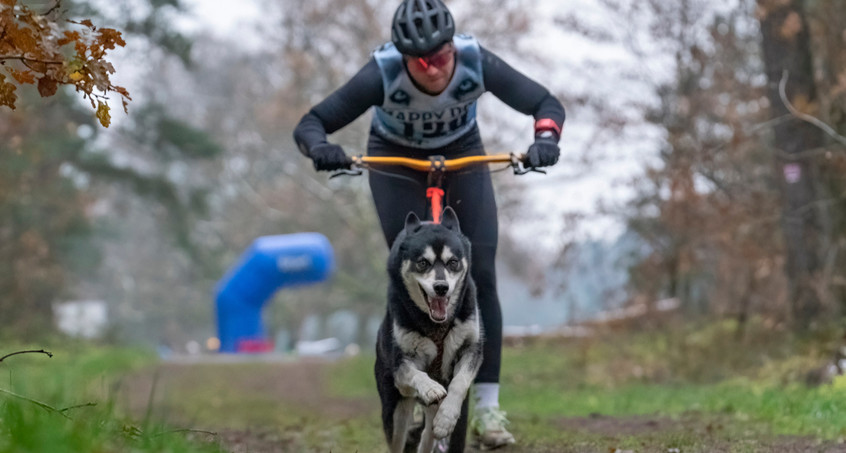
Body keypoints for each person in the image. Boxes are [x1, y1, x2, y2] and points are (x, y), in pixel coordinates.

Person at [293, 0, 565, 449]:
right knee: (412, 275)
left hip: (464, 156)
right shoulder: (381, 73)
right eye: (419, 62)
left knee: (479, 276)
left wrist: (544, 139)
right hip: (395, 160)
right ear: (402, 57)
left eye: (439, 57)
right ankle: (414, 384)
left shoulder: (476, 61)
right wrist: (321, 148)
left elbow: (544, 103)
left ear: (451, 48)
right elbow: (312, 123)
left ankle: (488, 406)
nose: (432, 69)